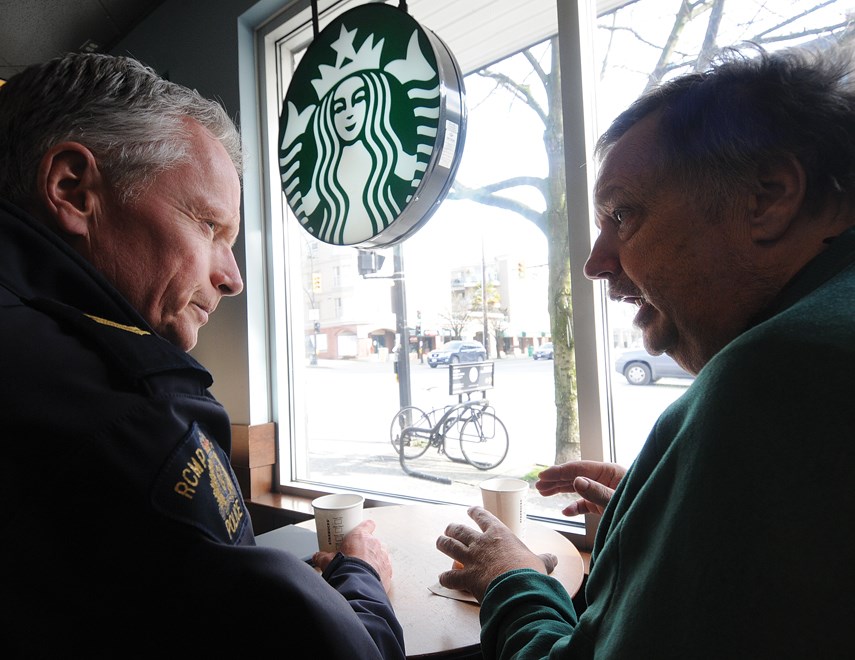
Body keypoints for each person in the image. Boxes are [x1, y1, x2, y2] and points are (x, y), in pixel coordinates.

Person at [436, 44, 855, 658]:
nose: (595, 263)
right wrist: (666, 508)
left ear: (768, 195)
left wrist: (512, 578)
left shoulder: (775, 373)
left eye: (622, 214)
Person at [0, 52, 404, 658]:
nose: (233, 277)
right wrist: (364, 580)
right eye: (209, 226)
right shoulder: (130, 421)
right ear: (72, 188)